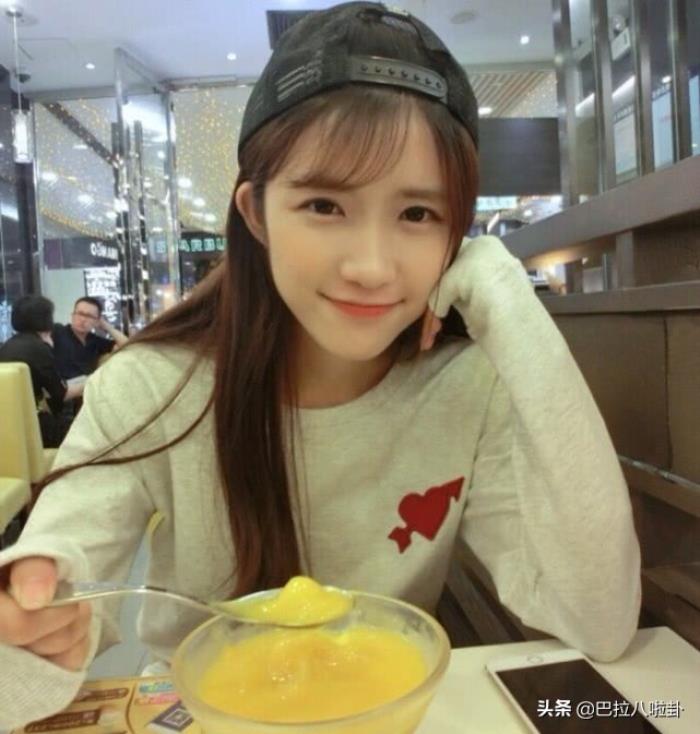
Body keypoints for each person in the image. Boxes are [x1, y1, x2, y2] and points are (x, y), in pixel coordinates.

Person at [0, 3, 641, 726]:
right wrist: (36, 619)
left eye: (419, 214)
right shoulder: (152, 384)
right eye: (325, 205)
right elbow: (50, 600)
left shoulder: (467, 387)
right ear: (256, 213)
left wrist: (505, 296)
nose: (371, 267)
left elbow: (599, 620)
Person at [0, 295, 83, 448]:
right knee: (85, 432)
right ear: (46, 319)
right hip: (30, 424)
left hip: (9, 422)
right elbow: (61, 394)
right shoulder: (39, 348)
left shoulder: (7, 345)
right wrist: (91, 381)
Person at [51, 296, 128, 380]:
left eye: (89, 316)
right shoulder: (58, 331)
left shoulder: (94, 341)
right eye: (80, 313)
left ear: (97, 321)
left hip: (89, 385)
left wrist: (106, 326)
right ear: (72, 315)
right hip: (63, 385)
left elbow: (127, 345)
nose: (83, 319)